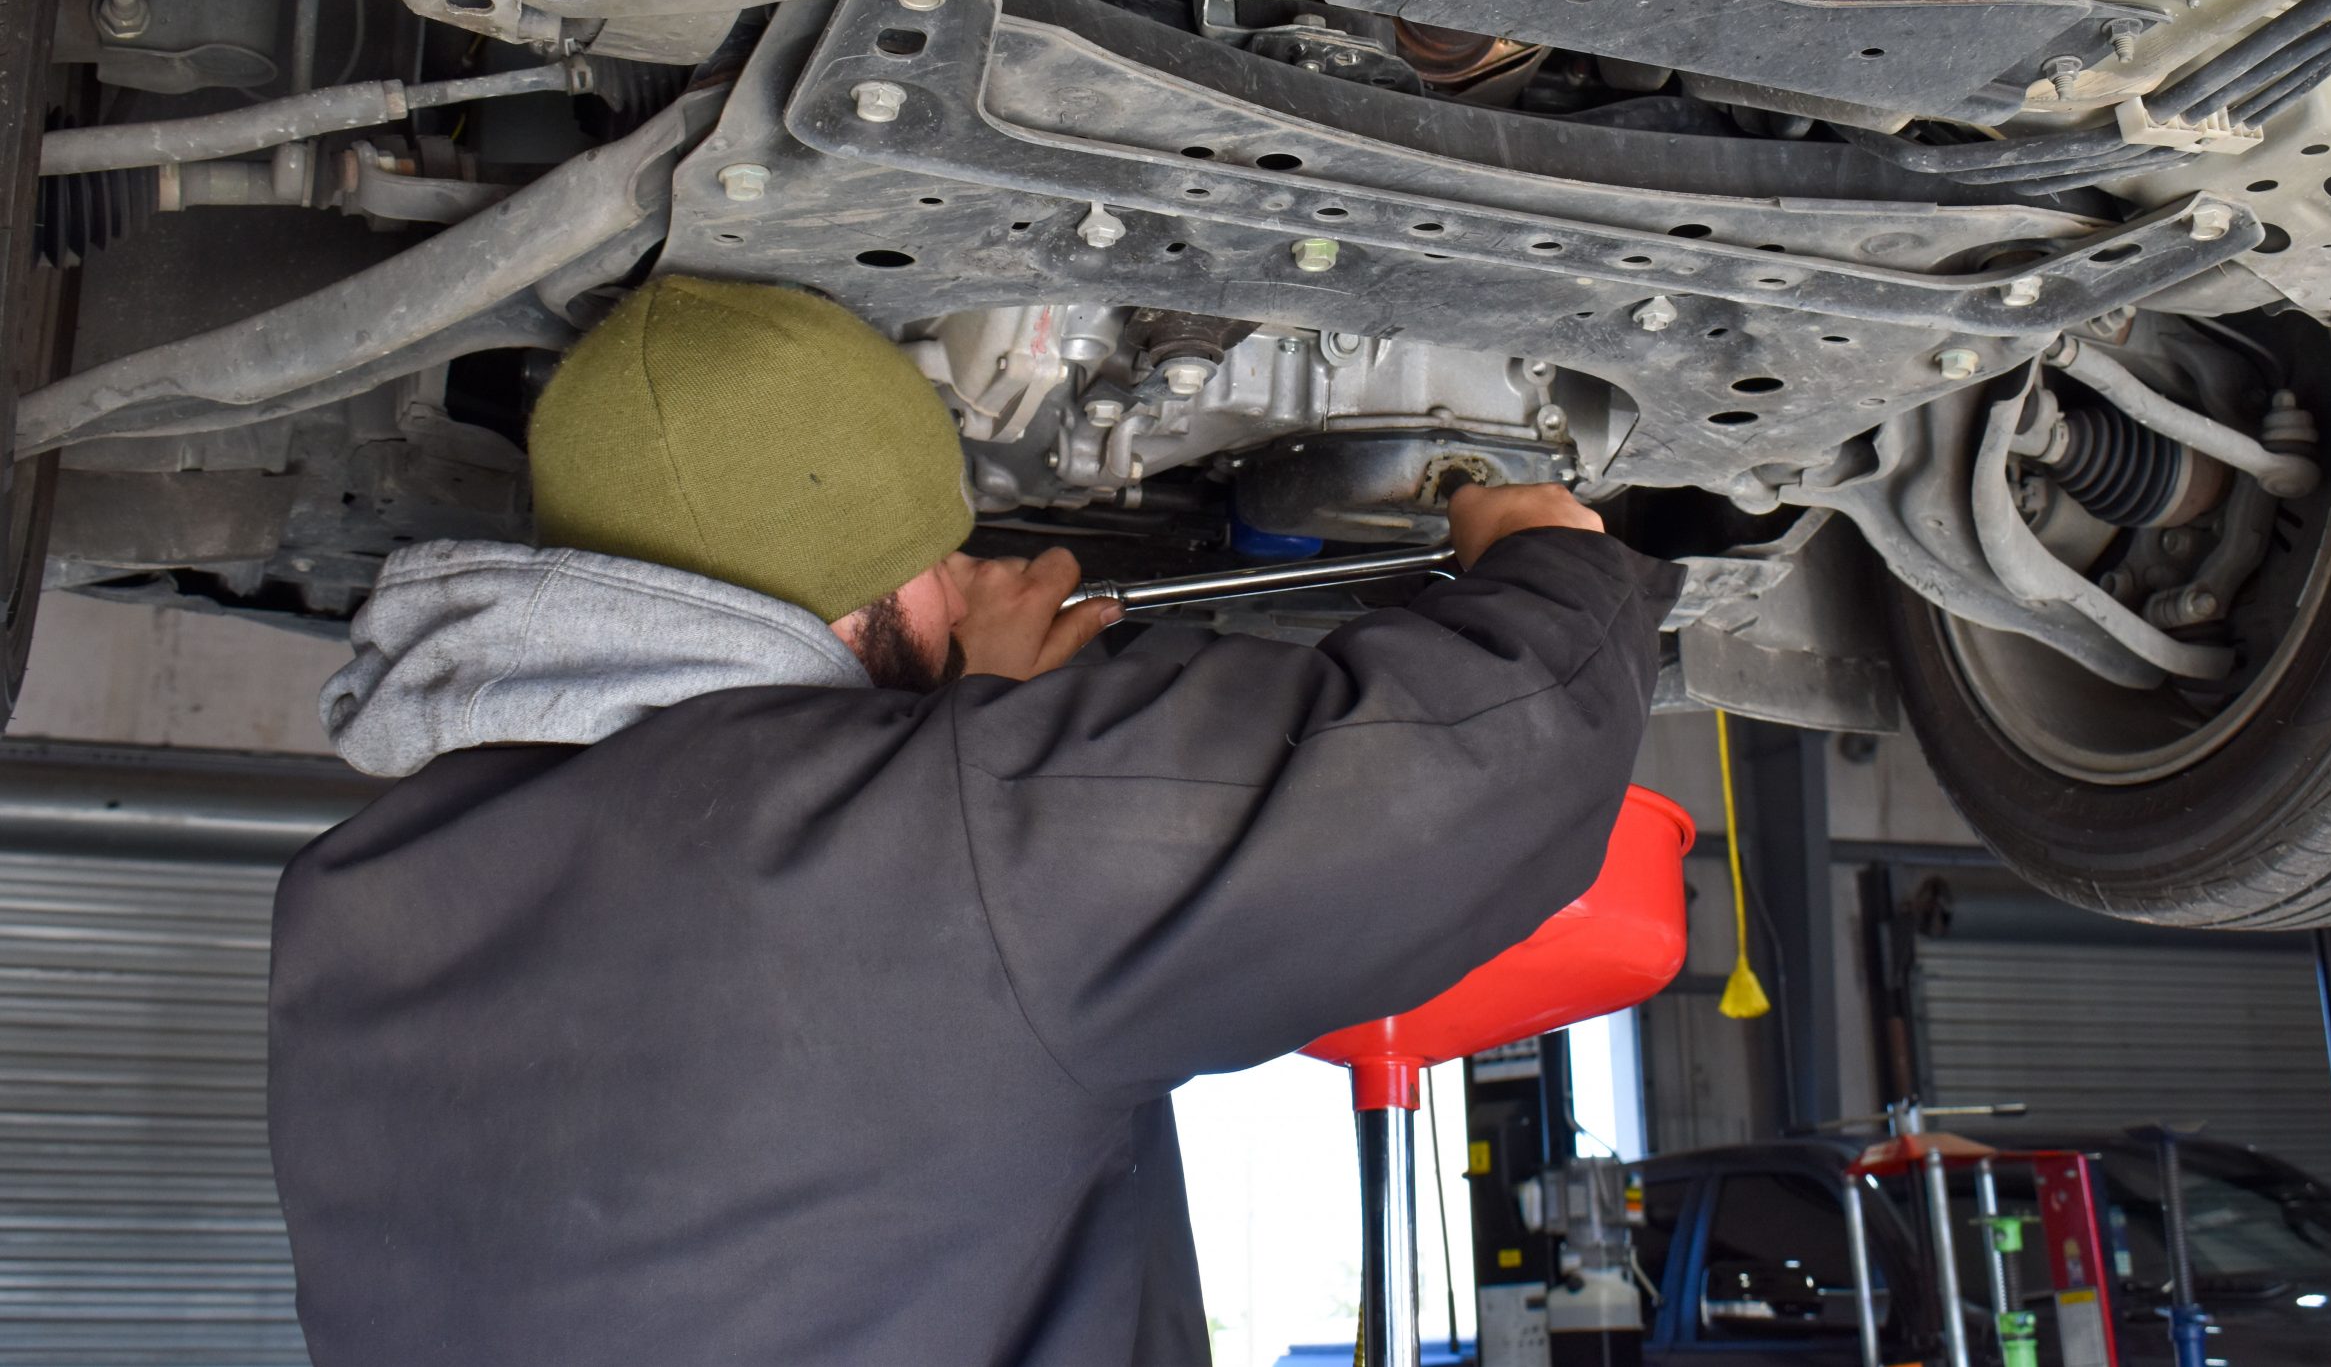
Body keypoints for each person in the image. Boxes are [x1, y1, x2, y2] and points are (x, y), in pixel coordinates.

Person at [269, 275, 1681, 1367]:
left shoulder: (366, 901)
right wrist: (1557, 565)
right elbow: (1476, 772)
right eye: (938, 566)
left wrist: (982, 748)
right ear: (842, 603)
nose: (965, 591)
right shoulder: (941, 848)